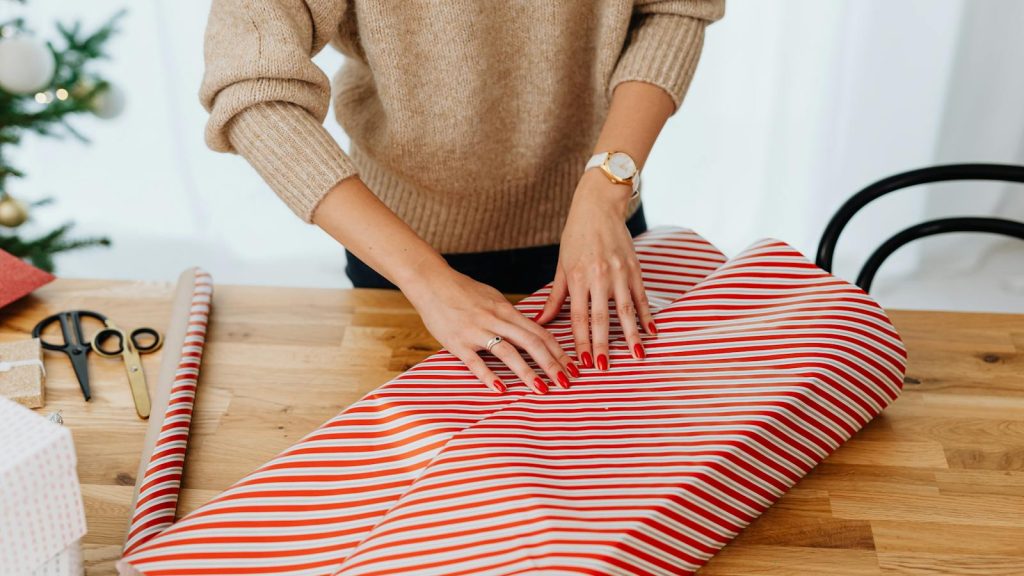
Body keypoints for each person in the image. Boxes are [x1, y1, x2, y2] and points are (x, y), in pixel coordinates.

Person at [201, 1, 725, 395]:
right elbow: (251, 88)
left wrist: (605, 189)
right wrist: (426, 280)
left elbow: (675, 9)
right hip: (402, 258)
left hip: (600, 228)